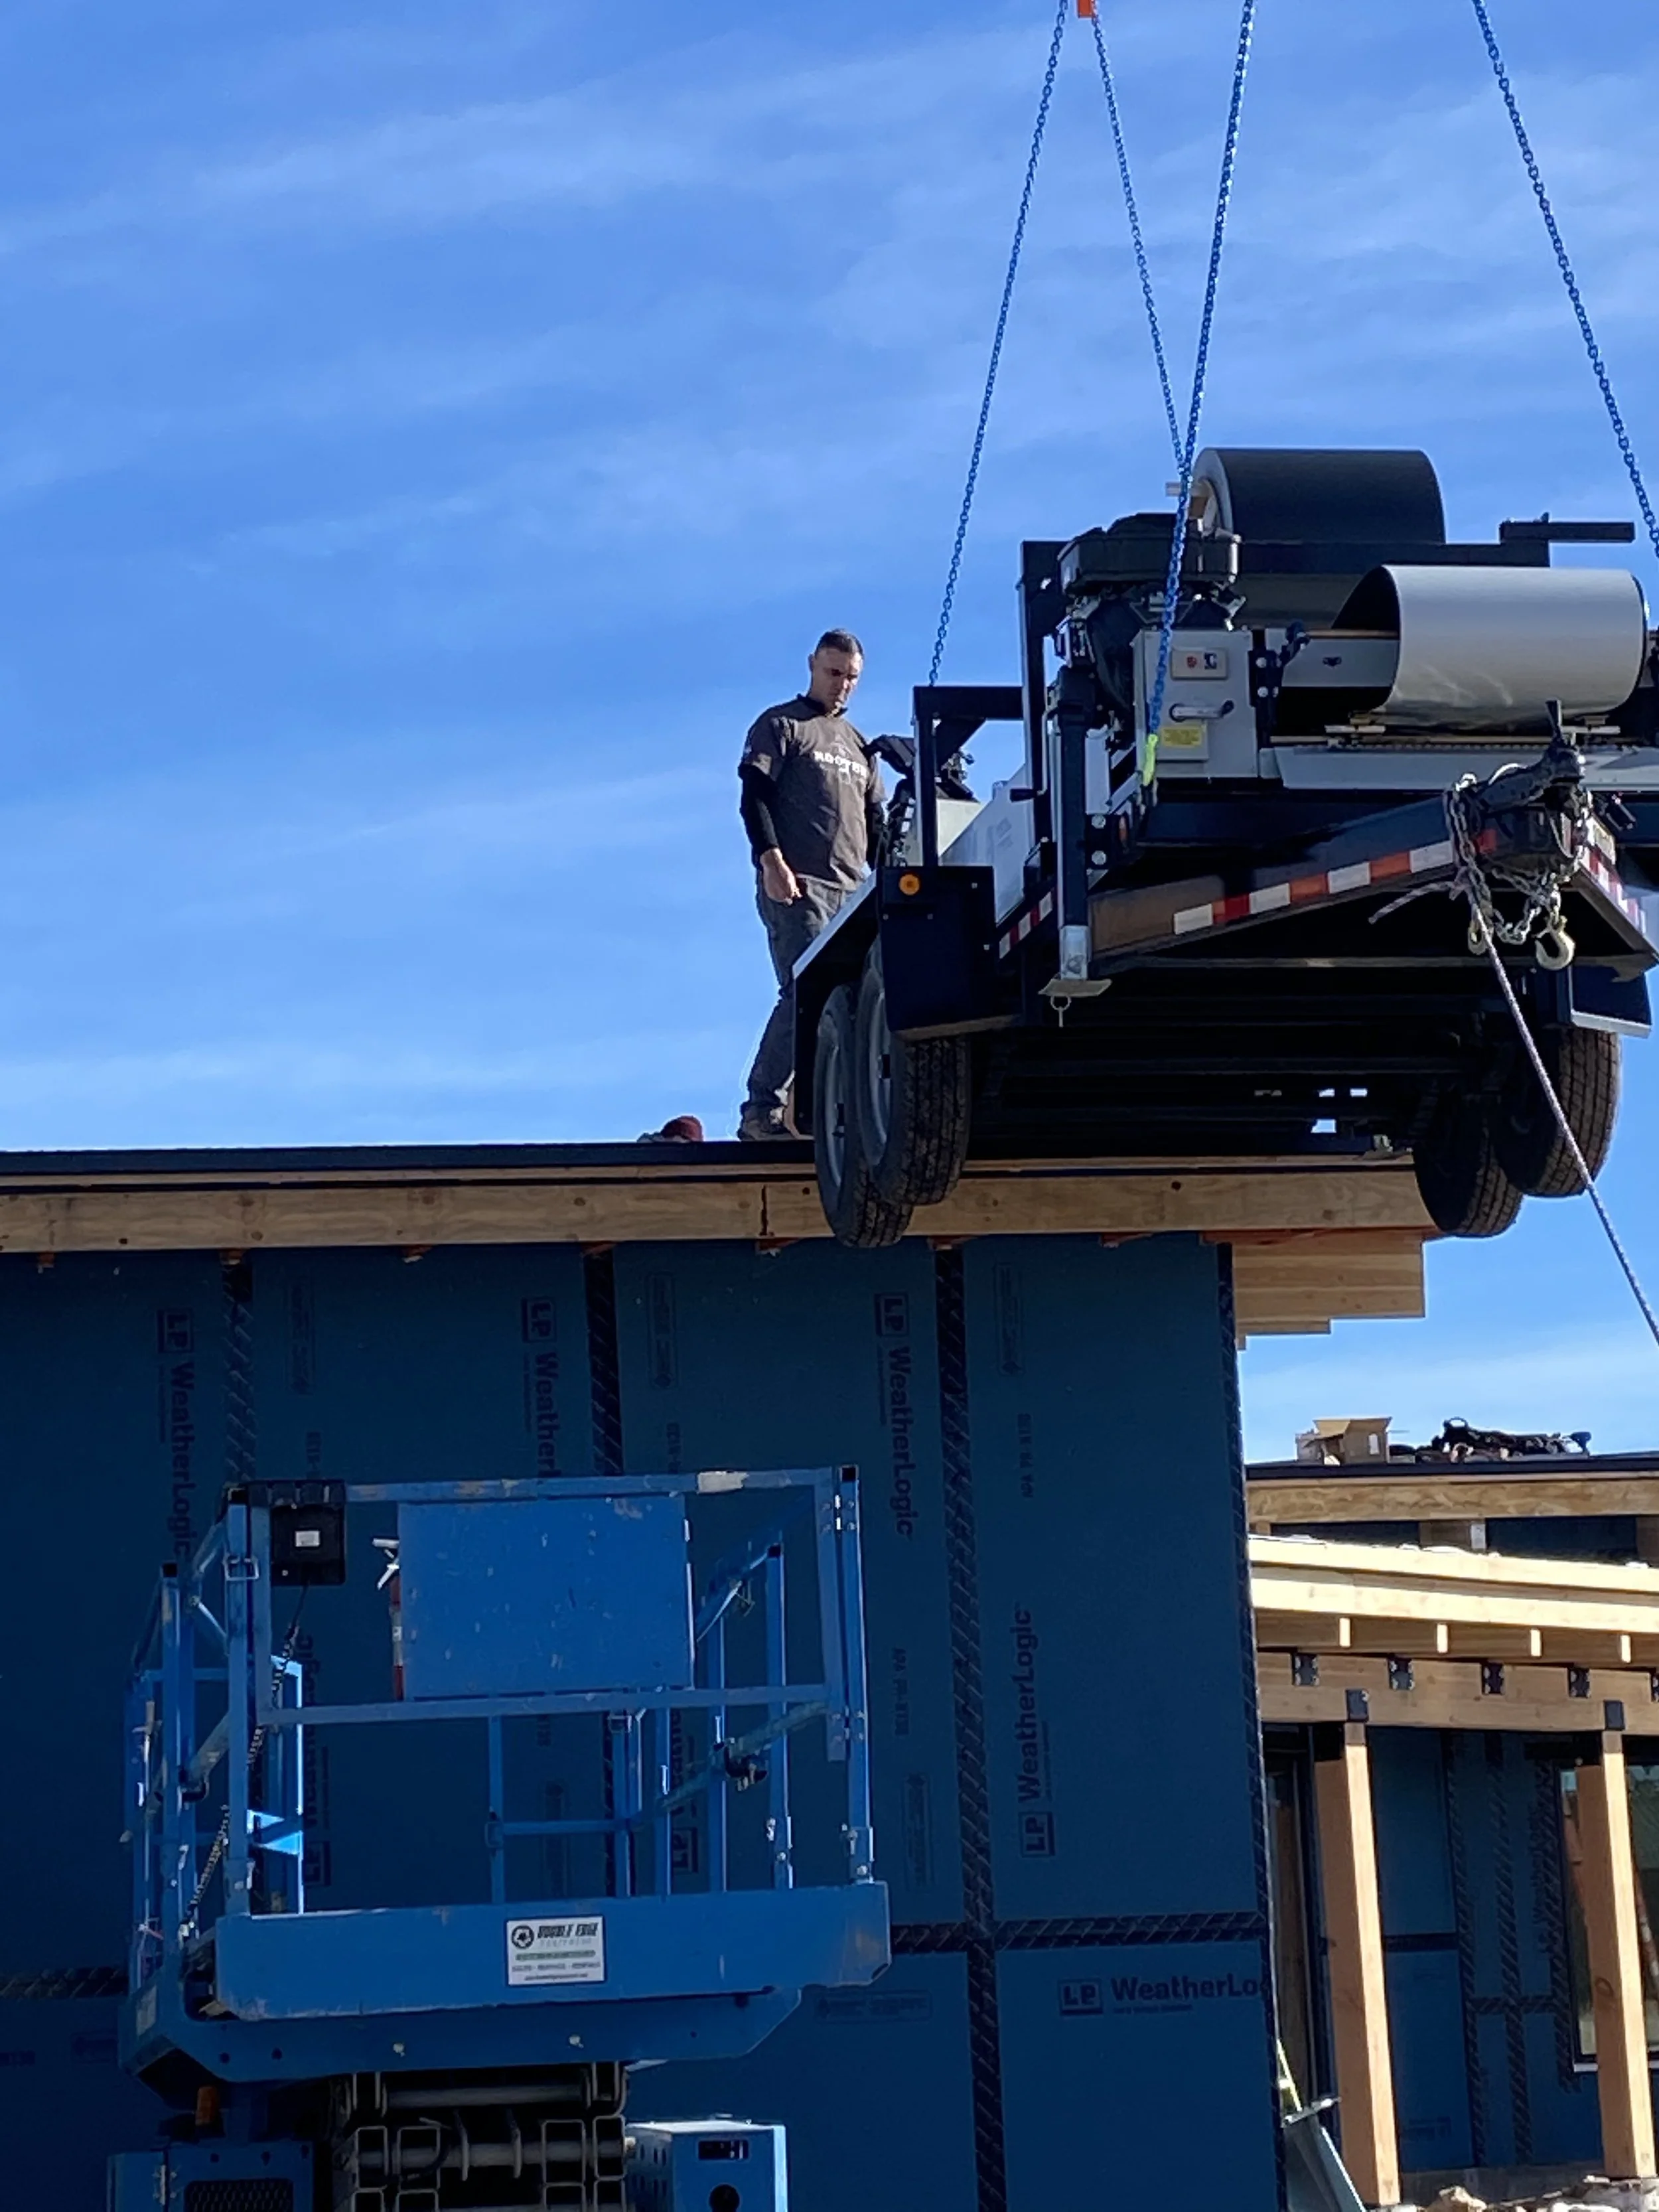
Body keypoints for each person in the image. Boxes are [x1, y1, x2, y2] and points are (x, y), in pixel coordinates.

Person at [737, 629, 884, 1140]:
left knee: (850, 1002)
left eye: (851, 677)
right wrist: (770, 860)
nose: (841, 685)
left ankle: (832, 1112)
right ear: (813, 666)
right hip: (800, 885)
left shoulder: (860, 745)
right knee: (804, 991)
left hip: (853, 891)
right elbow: (753, 796)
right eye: (833, 672)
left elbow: (875, 826)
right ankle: (762, 1109)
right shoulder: (782, 725)